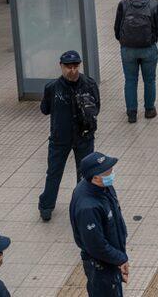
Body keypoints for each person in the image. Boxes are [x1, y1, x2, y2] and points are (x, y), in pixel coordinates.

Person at [38, 51, 100, 222]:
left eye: (75, 67)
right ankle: (46, 206)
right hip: (60, 138)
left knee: (85, 173)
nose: (72, 71)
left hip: (84, 136)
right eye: (68, 67)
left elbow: (97, 107)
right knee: (54, 172)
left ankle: (83, 205)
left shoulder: (89, 84)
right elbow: (45, 109)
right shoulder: (52, 88)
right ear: (61, 66)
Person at [69, 152, 129, 296]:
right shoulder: (88, 207)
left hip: (111, 259)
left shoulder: (104, 187)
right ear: (95, 177)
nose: (112, 173)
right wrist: (120, 259)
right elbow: (96, 245)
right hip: (100, 266)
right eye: (108, 172)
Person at [115, 0, 158, 124]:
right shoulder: (154, 3)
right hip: (148, 48)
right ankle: (149, 109)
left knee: (130, 80)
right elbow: (157, 27)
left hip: (128, 48)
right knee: (149, 79)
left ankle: (132, 113)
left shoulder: (123, 3)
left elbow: (117, 27)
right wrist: (152, 39)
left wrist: (123, 41)